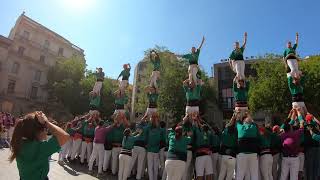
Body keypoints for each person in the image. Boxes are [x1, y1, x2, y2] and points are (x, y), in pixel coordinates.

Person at [9, 111, 69, 180]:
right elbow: (64, 136)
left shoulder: (20, 142)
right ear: (37, 131)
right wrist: (46, 122)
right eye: (45, 129)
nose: (46, 132)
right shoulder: (41, 147)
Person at [232, 112, 260, 180]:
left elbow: (237, 120)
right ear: (251, 123)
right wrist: (248, 114)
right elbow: (252, 121)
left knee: (240, 174)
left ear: (244, 122)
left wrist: (237, 113)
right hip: (253, 154)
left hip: (242, 154)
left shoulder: (240, 127)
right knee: (254, 174)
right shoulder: (254, 127)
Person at [279, 108, 305, 180]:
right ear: (291, 128)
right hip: (294, 158)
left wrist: (291, 114)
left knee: (283, 176)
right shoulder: (296, 134)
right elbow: (302, 124)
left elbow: (283, 126)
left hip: (285, 158)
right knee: (294, 177)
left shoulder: (282, 135)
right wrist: (298, 112)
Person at [193, 114, 214, 180]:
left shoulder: (198, 133)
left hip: (199, 156)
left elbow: (194, 126)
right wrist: (201, 120)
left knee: (199, 174)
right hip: (208, 156)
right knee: (209, 174)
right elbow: (210, 128)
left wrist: (195, 120)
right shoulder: (209, 133)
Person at [218, 115, 238, 180]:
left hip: (224, 156)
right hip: (232, 156)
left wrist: (233, 117)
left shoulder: (225, 131)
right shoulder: (236, 132)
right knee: (229, 176)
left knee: (221, 174)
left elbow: (229, 124)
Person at [145, 113, 163, 180]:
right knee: (155, 167)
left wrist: (153, 118)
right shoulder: (159, 130)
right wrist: (156, 118)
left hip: (150, 150)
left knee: (150, 167)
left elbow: (147, 127)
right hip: (155, 150)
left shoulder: (149, 129)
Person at [303, 113, 320, 180]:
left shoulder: (305, 126)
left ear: (307, 120)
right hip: (318, 148)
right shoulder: (317, 126)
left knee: (309, 167)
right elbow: (318, 122)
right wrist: (313, 116)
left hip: (309, 149)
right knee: (316, 166)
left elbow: (313, 135)